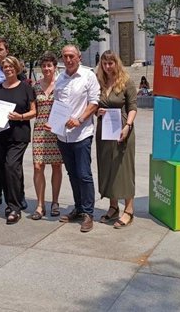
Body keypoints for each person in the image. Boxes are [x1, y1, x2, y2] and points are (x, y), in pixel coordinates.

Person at [52, 44, 100, 233]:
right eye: (65, 56)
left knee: (84, 174)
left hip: (82, 134)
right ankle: (79, 208)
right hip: (63, 136)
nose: (68, 59)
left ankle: (89, 213)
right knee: (72, 174)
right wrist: (54, 123)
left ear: (79, 57)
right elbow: (58, 104)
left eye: (72, 56)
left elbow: (94, 102)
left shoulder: (88, 76)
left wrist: (79, 120)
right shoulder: (60, 78)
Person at [0, 56, 36, 224]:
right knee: (5, 169)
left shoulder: (25, 88)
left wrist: (20, 116)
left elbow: (33, 111)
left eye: (10, 66)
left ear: (16, 68)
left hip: (19, 135)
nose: (7, 69)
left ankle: (14, 208)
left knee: (11, 166)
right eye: (5, 67)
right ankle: (16, 198)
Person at [0, 37, 27, 211]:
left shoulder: (14, 66)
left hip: (13, 119)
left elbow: (22, 89)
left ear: (7, 50)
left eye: (0, 49)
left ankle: (19, 194)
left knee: (14, 162)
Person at [95, 51, 138, 229]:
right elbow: (94, 104)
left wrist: (128, 126)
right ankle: (113, 206)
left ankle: (128, 210)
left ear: (116, 63)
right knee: (107, 168)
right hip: (104, 130)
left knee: (123, 169)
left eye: (110, 63)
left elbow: (133, 106)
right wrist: (98, 111)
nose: (107, 67)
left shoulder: (126, 81)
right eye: (104, 63)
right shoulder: (99, 82)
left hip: (122, 129)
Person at [30, 51, 63, 220]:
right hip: (39, 130)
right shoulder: (35, 86)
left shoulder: (61, 85)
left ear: (55, 67)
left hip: (56, 130)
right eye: (43, 65)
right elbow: (32, 108)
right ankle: (40, 205)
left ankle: (55, 202)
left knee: (57, 165)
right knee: (38, 166)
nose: (46, 68)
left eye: (49, 65)